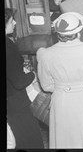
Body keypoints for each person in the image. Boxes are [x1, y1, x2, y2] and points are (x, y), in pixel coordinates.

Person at [36, 12, 83, 148]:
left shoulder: (45, 54)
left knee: (66, 140)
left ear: (58, 34)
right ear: (78, 32)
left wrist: (63, 87)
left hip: (62, 101)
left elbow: (46, 86)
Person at [6, 8, 44, 149]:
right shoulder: (8, 48)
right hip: (16, 103)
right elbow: (19, 82)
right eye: (11, 21)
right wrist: (33, 73)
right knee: (31, 141)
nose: (14, 23)